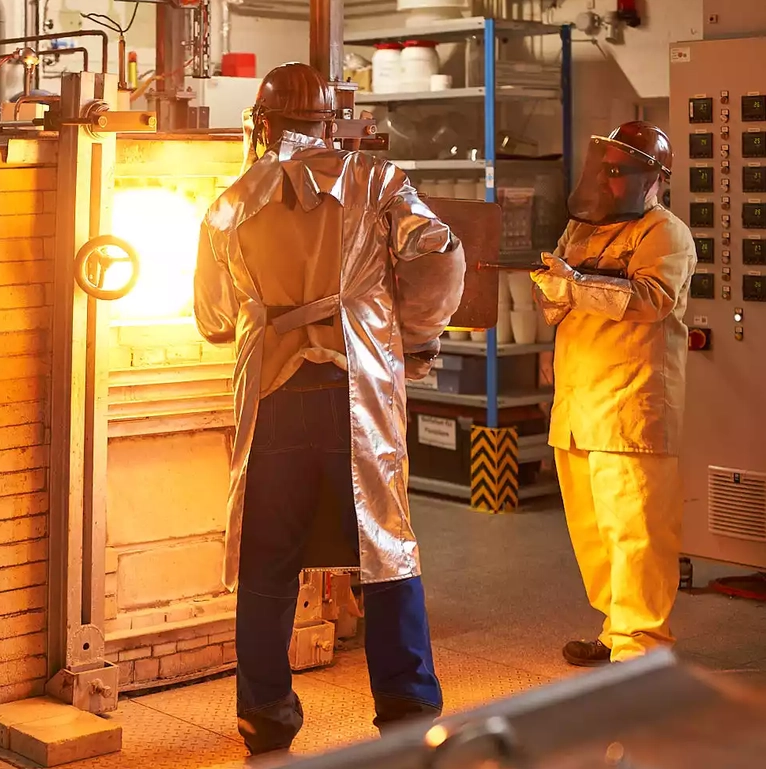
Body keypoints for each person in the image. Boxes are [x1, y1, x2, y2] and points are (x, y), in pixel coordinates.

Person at [193, 62, 467, 755]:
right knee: (386, 548)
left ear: (262, 123)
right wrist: (411, 333)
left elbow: (213, 317)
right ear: (328, 122)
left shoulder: (229, 201)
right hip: (358, 393)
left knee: (266, 561)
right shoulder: (376, 180)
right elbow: (440, 250)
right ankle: (406, 708)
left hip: (276, 395)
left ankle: (265, 716)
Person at [531, 121, 697, 667]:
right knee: (594, 533)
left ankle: (642, 651)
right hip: (580, 406)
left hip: (632, 405)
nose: (609, 181)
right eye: (605, 171)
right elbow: (556, 303)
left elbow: (652, 299)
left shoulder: (664, 233)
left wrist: (574, 285)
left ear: (652, 179)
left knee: (637, 535)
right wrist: (552, 289)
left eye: (620, 172)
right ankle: (615, 630)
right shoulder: (582, 230)